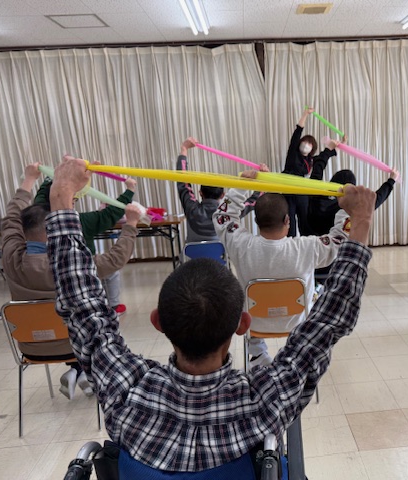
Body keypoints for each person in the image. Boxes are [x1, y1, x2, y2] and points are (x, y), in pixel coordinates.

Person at [45, 155, 375, 472]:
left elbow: (82, 306)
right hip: (293, 320)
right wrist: (359, 220)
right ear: (241, 324)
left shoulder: (127, 392)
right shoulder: (263, 402)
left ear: (158, 321)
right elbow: (329, 318)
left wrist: (61, 196)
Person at [1, 163, 141, 399]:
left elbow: (11, 218)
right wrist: (131, 225)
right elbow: (116, 258)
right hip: (76, 345)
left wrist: (28, 180)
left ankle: (77, 371)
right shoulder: (72, 264)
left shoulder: (10, 258)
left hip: (30, 347)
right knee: (88, 318)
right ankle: (84, 370)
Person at [213, 165, 349, 368]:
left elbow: (221, 217)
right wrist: (347, 208)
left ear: (256, 221)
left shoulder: (241, 245)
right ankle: (298, 351)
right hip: (298, 321)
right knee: (317, 294)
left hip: (254, 323)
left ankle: (257, 353)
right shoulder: (307, 248)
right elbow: (340, 239)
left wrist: (242, 185)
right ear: (287, 220)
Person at [34, 172, 137, 315]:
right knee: (111, 271)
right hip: (83, 275)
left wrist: (53, 175)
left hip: (44, 280)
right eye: (73, 198)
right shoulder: (80, 221)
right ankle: (113, 306)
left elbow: (41, 194)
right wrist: (130, 191)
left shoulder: (36, 217)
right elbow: (111, 214)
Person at [176, 138, 260, 243]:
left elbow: (183, 183)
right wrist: (263, 176)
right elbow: (254, 200)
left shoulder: (192, 209)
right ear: (222, 195)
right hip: (221, 254)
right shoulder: (229, 211)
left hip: (193, 254)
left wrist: (184, 149)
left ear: (200, 193)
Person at [283, 107, 340, 237]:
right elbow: (297, 132)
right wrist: (305, 114)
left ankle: (307, 244)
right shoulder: (293, 154)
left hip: (302, 192)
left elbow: (325, 156)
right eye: (304, 142)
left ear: (312, 149)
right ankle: (291, 244)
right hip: (288, 191)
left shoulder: (311, 161)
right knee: (290, 223)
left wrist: (341, 143)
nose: (306, 145)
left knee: (305, 222)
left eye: (309, 144)